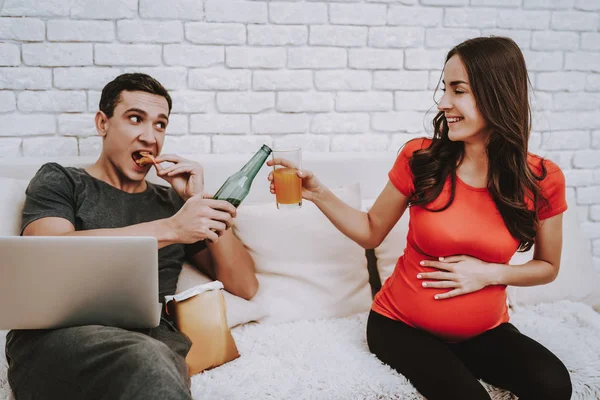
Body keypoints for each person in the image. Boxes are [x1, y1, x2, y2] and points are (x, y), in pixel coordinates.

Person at [268, 37, 572, 400]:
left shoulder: (541, 179)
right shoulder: (422, 159)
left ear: (497, 94)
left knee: (554, 385)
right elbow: (370, 231)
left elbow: (547, 266)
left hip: (484, 332)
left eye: (458, 90)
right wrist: (317, 192)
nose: (444, 103)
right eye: (444, 89)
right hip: (400, 326)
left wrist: (489, 273)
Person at [5, 73, 258, 400]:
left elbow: (244, 285)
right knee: (148, 363)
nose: (150, 136)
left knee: (151, 363)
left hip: (152, 344)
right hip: (56, 339)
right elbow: (47, 249)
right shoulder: (61, 180)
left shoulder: (173, 204)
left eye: (160, 125)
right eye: (136, 119)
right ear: (102, 123)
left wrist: (200, 200)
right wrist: (171, 229)